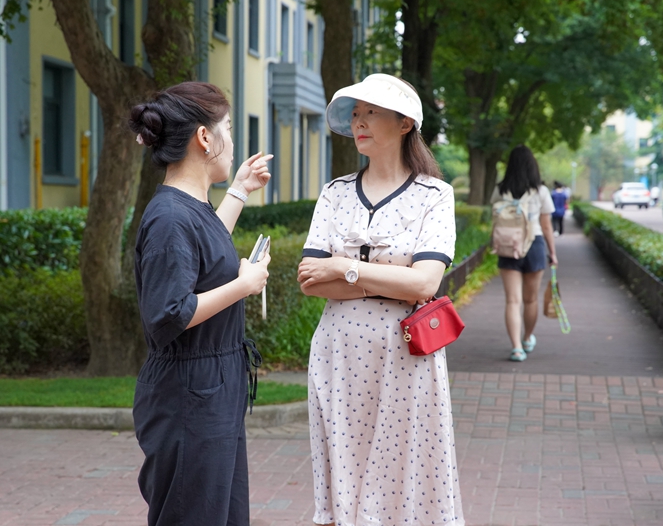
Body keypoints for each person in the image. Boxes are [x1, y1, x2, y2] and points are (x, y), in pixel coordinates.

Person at [297, 74, 463, 526]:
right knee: (343, 466)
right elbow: (311, 280)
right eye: (355, 112)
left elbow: (425, 284)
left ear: (405, 123)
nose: (359, 121)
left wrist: (344, 269)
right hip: (338, 353)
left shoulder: (435, 195)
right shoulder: (334, 194)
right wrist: (387, 280)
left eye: (371, 111)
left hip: (406, 356)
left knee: (405, 469)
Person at [129, 81, 272, 526]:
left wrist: (241, 191)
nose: (232, 138)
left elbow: (207, 255)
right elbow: (169, 314)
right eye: (227, 127)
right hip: (190, 393)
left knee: (221, 513)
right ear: (204, 138)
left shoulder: (189, 208)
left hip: (212, 385)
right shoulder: (170, 217)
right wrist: (244, 285)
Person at [491, 145, 557, 362]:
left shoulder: (500, 189)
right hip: (534, 245)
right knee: (530, 300)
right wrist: (553, 253)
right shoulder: (541, 191)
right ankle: (528, 338)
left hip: (507, 245)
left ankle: (516, 347)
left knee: (512, 301)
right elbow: (546, 226)